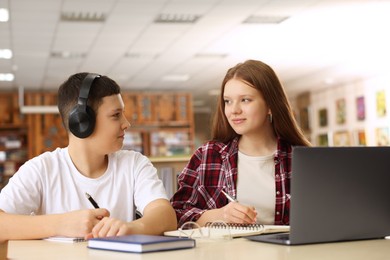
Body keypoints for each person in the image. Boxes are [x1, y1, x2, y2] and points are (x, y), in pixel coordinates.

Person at [0, 72, 177, 240]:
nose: (126, 123)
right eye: (116, 115)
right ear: (82, 123)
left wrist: (131, 228)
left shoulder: (134, 164)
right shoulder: (41, 169)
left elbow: (166, 216)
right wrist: (60, 224)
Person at [171, 59, 311, 228]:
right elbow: (175, 214)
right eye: (228, 101)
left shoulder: (302, 159)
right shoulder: (208, 155)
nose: (234, 110)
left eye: (245, 100)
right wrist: (219, 215)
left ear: (270, 105)